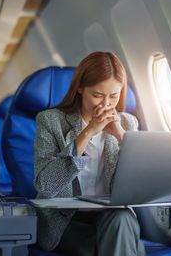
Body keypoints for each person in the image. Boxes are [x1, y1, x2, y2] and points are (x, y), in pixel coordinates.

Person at [34, 51, 145, 256]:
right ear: (80, 88)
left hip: (111, 218)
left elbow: (143, 182)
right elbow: (46, 185)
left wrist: (122, 137)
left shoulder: (128, 123)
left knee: (123, 219)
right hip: (66, 221)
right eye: (97, 95)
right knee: (117, 242)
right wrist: (87, 134)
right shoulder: (51, 121)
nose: (106, 104)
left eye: (113, 96)